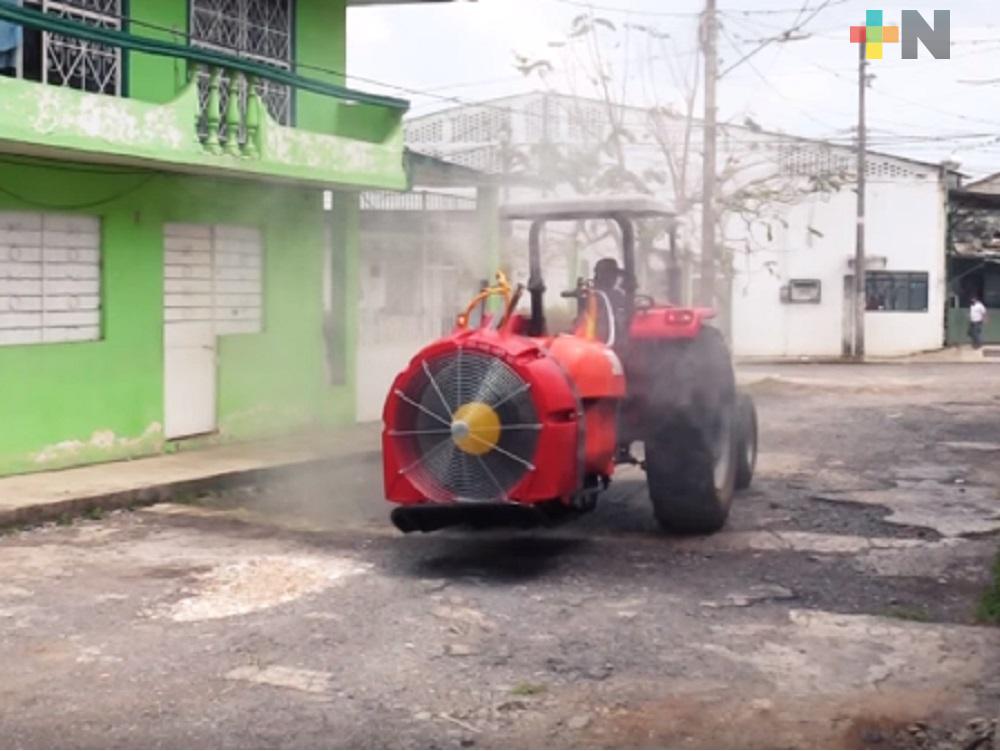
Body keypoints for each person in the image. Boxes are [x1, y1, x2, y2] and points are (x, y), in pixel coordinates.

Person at [592, 257, 626, 346]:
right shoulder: (597, 295)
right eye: (612, 274)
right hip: (604, 342)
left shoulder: (617, 294)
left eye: (615, 275)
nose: (615, 278)